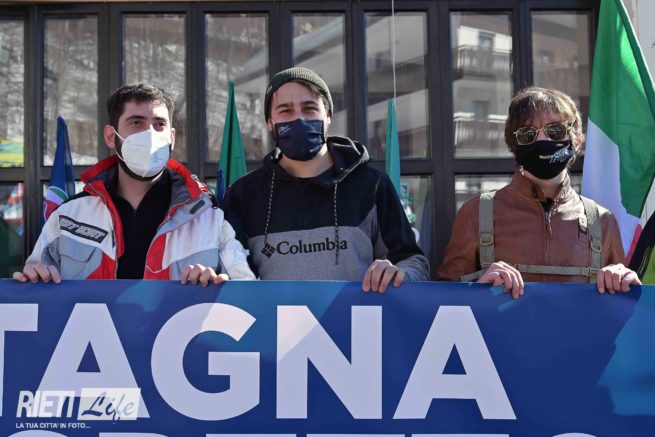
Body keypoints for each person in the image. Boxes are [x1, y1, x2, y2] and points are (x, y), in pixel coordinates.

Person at [14, 82, 254, 286]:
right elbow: (37, 295)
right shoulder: (68, 217)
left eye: (159, 124)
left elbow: (247, 294)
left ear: (171, 138)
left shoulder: (210, 217)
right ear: (111, 137)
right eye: (136, 123)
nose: (150, 134)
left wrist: (219, 287)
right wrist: (35, 278)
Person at [225, 67, 429, 291]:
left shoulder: (371, 185)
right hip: (270, 315)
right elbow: (228, 272)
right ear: (270, 123)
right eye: (286, 110)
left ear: (328, 116)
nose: (299, 118)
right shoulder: (244, 194)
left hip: (353, 315)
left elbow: (414, 263)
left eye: (309, 108)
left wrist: (400, 273)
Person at [437, 86, 640, 297]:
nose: (542, 141)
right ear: (514, 145)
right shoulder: (476, 213)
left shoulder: (602, 220)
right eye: (528, 135)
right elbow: (442, 299)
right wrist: (478, 286)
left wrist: (626, 282)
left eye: (555, 131)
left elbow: (620, 306)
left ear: (577, 140)